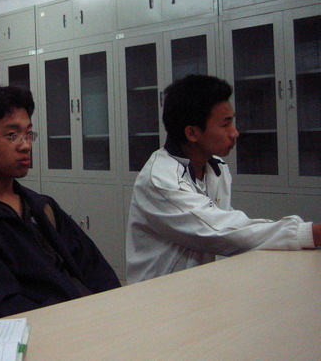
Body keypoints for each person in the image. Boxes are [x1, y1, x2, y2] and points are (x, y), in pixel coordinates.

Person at [0, 85, 121, 319]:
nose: (25, 145)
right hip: (42, 330)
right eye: (12, 135)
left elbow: (95, 269)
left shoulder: (42, 207)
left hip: (84, 320)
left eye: (28, 134)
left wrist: (116, 307)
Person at [125, 74, 321, 284]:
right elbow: (218, 230)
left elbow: (227, 226)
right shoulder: (160, 179)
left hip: (198, 284)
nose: (235, 133)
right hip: (157, 292)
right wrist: (309, 233)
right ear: (192, 133)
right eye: (225, 124)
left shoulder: (217, 167)